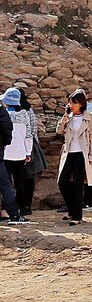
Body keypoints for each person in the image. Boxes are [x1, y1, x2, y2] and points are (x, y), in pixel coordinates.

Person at [56, 90, 92, 226]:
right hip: (68, 152)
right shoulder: (68, 116)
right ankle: (71, 209)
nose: (71, 105)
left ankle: (77, 216)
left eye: (74, 102)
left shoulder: (89, 117)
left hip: (82, 153)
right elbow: (59, 131)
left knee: (78, 185)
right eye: (70, 102)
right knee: (62, 182)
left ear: (81, 104)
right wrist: (65, 118)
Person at [2, 88, 33, 222]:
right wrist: (28, 152)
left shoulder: (4, 115)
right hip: (20, 153)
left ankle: (5, 210)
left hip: (5, 154)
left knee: (6, 184)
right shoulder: (25, 115)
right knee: (19, 183)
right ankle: (19, 209)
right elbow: (28, 135)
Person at [17, 88, 45, 217]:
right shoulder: (29, 110)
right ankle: (26, 206)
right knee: (28, 178)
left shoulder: (20, 111)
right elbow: (34, 131)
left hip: (21, 147)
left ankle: (21, 205)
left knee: (21, 178)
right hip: (29, 146)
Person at [0, 92, 25, 224]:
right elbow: (6, 128)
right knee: (5, 185)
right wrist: (4, 142)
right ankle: (14, 215)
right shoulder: (1, 111)